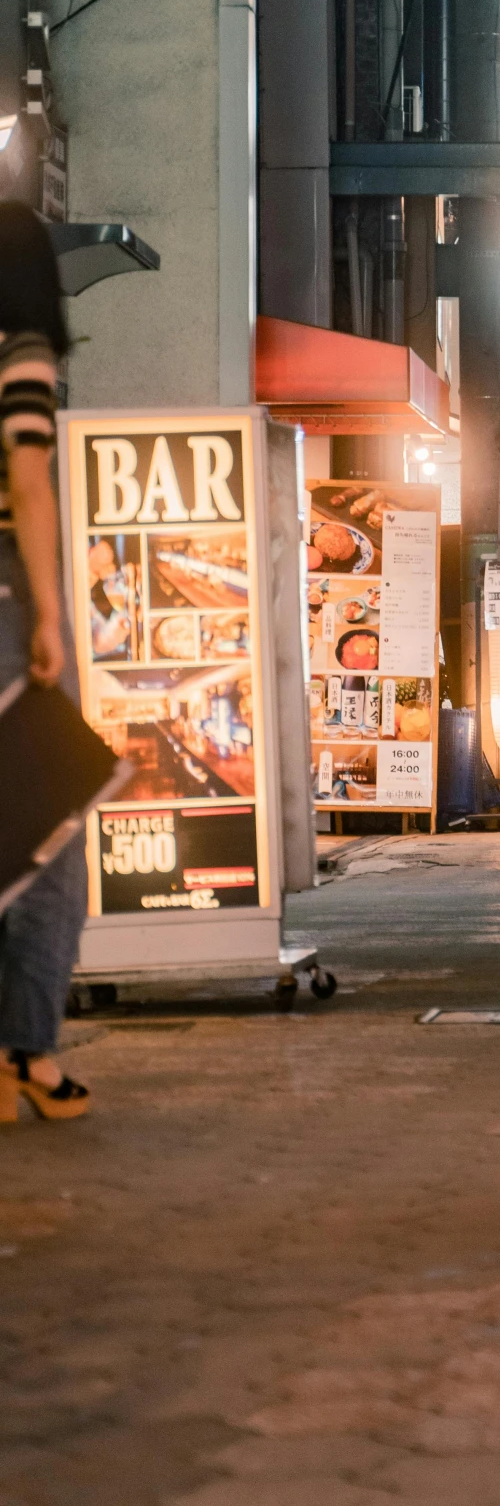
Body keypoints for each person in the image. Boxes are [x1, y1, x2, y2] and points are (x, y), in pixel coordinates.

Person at [0, 202, 91, 1124]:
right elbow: (28, 481)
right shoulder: (21, 350)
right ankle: (29, 1049)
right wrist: (52, 616)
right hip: (5, 610)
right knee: (49, 838)